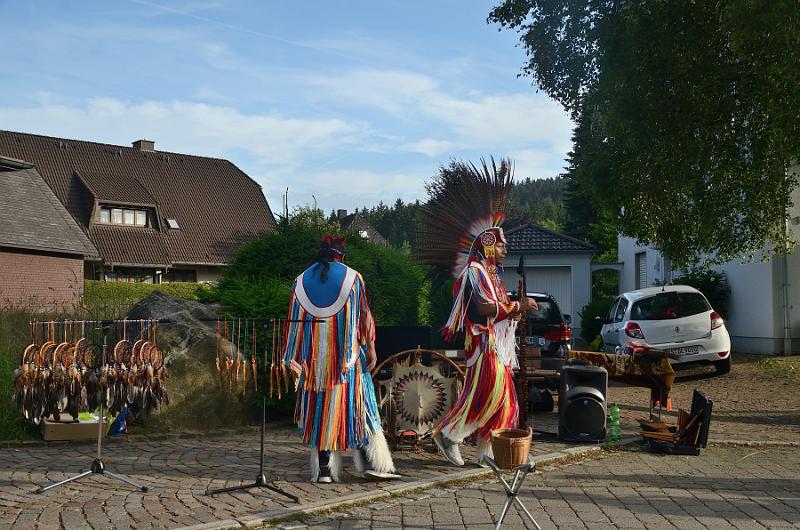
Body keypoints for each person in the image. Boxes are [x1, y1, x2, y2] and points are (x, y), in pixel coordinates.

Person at [416, 157, 537, 466]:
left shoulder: (492, 274)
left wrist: (518, 309)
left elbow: (500, 309)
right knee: (488, 396)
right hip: (483, 346)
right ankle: (450, 435)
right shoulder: (475, 271)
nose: (505, 249)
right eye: (501, 245)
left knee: (505, 401)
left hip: (494, 347)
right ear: (486, 245)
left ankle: (487, 454)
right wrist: (517, 307)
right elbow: (485, 308)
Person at [283, 235, 398, 483]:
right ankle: (373, 462)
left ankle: (324, 469)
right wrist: (371, 348)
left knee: (320, 410)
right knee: (361, 404)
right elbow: (364, 315)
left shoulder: (300, 281)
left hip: (313, 363)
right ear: (341, 255)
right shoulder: (353, 278)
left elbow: (294, 326)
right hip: (347, 361)